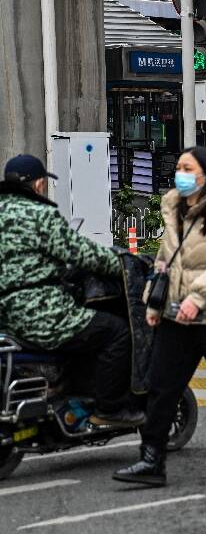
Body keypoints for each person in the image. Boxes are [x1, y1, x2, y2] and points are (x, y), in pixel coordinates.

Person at [113, 147, 206, 487]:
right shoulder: (174, 207)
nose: (180, 173)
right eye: (179, 167)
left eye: (188, 168)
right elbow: (165, 261)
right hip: (177, 314)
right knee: (162, 386)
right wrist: (153, 303)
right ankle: (152, 459)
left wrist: (198, 296)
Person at [0, 154, 141, 427]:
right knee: (116, 331)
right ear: (39, 184)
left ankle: (64, 387)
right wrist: (125, 265)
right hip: (39, 313)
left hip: (6, 317)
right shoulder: (41, 214)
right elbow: (83, 254)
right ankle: (109, 409)